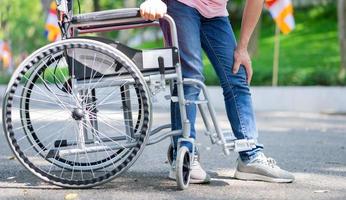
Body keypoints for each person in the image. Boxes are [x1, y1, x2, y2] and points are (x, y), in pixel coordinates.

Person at [140, 0, 295, 183]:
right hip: (181, 4)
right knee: (190, 78)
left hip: (216, 12)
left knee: (237, 75)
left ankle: (250, 155)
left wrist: (243, 48)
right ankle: (184, 153)